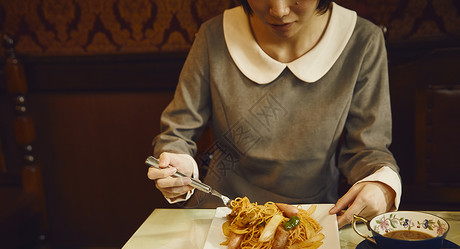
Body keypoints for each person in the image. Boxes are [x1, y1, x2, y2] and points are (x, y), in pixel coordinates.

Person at [147, 0, 401, 228]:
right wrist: (178, 165)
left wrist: (381, 186)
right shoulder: (213, 34)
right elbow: (178, 131)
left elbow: (368, 146)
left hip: (315, 217)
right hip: (220, 214)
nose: (278, 11)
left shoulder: (362, 38)